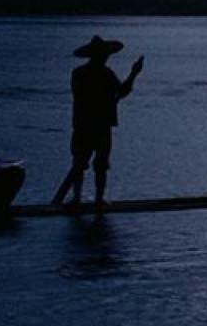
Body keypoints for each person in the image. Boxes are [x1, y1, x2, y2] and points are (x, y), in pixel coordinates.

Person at [50, 34, 143, 209]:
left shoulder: (92, 73)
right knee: (88, 162)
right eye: (103, 54)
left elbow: (120, 92)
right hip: (93, 124)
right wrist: (131, 77)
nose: (106, 57)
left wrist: (133, 73)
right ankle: (87, 198)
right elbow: (117, 93)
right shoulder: (89, 74)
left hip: (89, 123)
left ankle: (88, 198)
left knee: (89, 162)